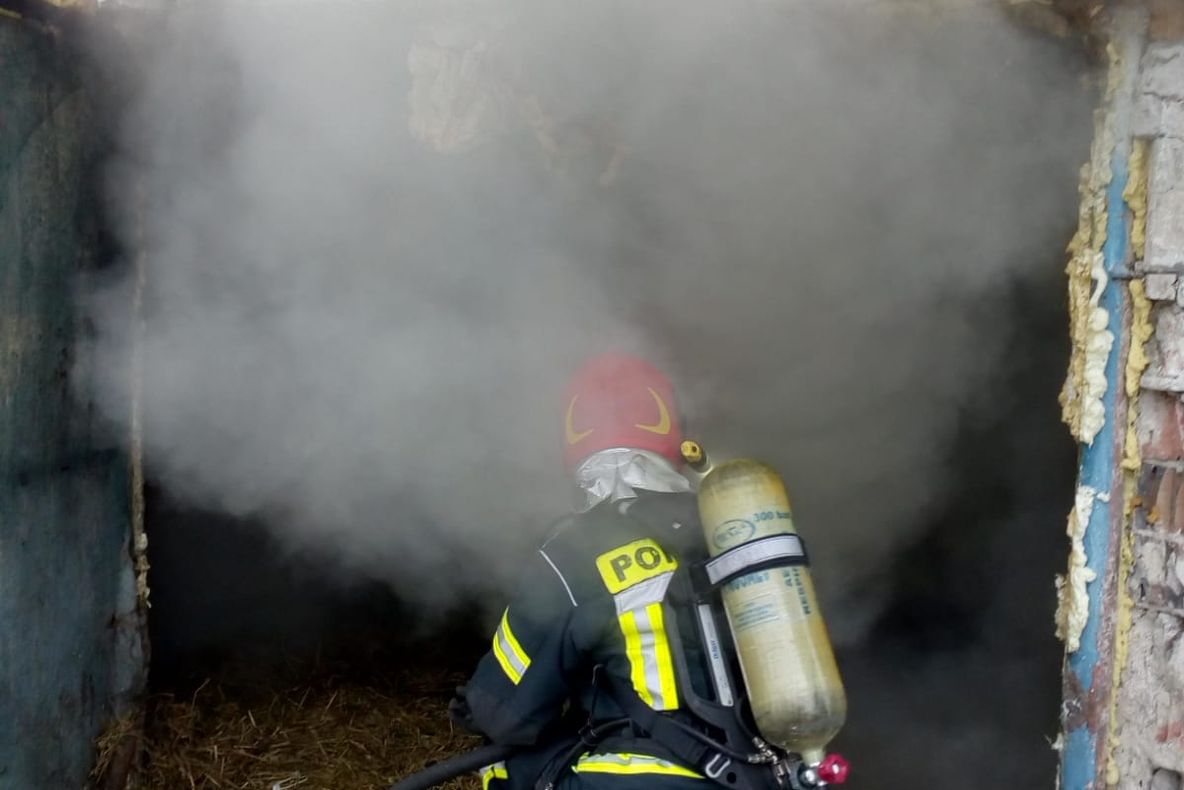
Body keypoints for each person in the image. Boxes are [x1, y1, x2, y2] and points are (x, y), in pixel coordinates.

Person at [449, 351, 715, 790]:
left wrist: (478, 705)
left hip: (651, 780)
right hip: (770, 774)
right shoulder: (734, 527)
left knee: (501, 767)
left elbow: (508, 715)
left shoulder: (577, 548)